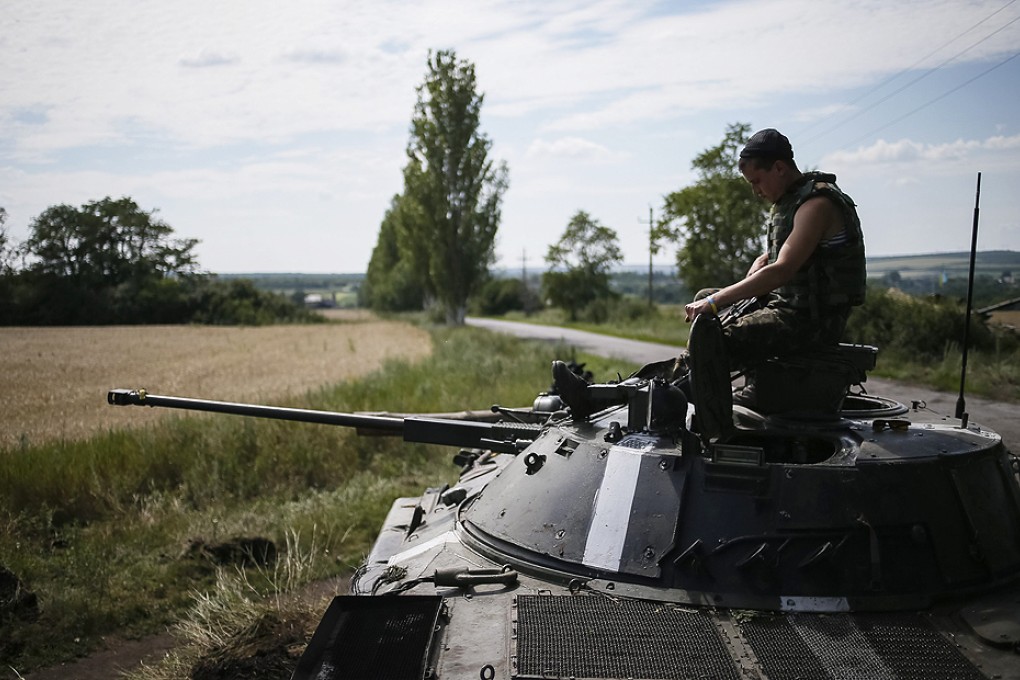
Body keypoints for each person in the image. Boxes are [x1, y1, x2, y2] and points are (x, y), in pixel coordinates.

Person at [553, 128, 865, 427]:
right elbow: (792, 257)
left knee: (713, 337)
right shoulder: (794, 200)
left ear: (780, 168)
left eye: (757, 181)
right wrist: (758, 263)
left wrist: (719, 301)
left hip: (811, 320)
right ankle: (616, 395)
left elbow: (783, 270)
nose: (756, 191)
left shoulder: (817, 204)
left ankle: (706, 421)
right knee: (704, 299)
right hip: (789, 307)